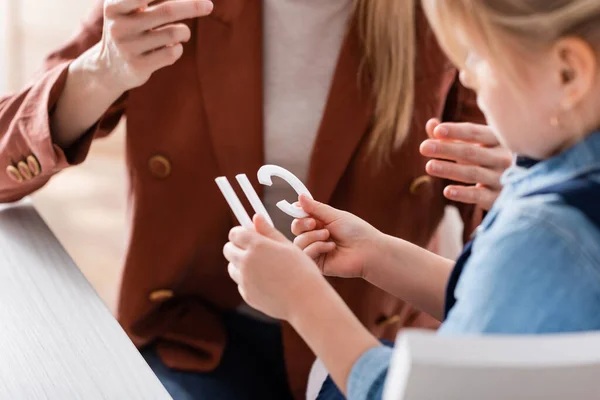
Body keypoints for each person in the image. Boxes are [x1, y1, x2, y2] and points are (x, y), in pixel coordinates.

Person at [0, 1, 509, 398]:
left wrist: (518, 183)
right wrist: (102, 71)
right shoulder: (167, 5)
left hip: (372, 340)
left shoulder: (445, 19)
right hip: (196, 338)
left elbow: (503, 266)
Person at [223, 0, 600, 399]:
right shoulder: (563, 208)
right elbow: (509, 303)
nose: (468, 79)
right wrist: (377, 255)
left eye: (478, 56)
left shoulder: (541, 232)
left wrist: (302, 301)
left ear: (567, 73)